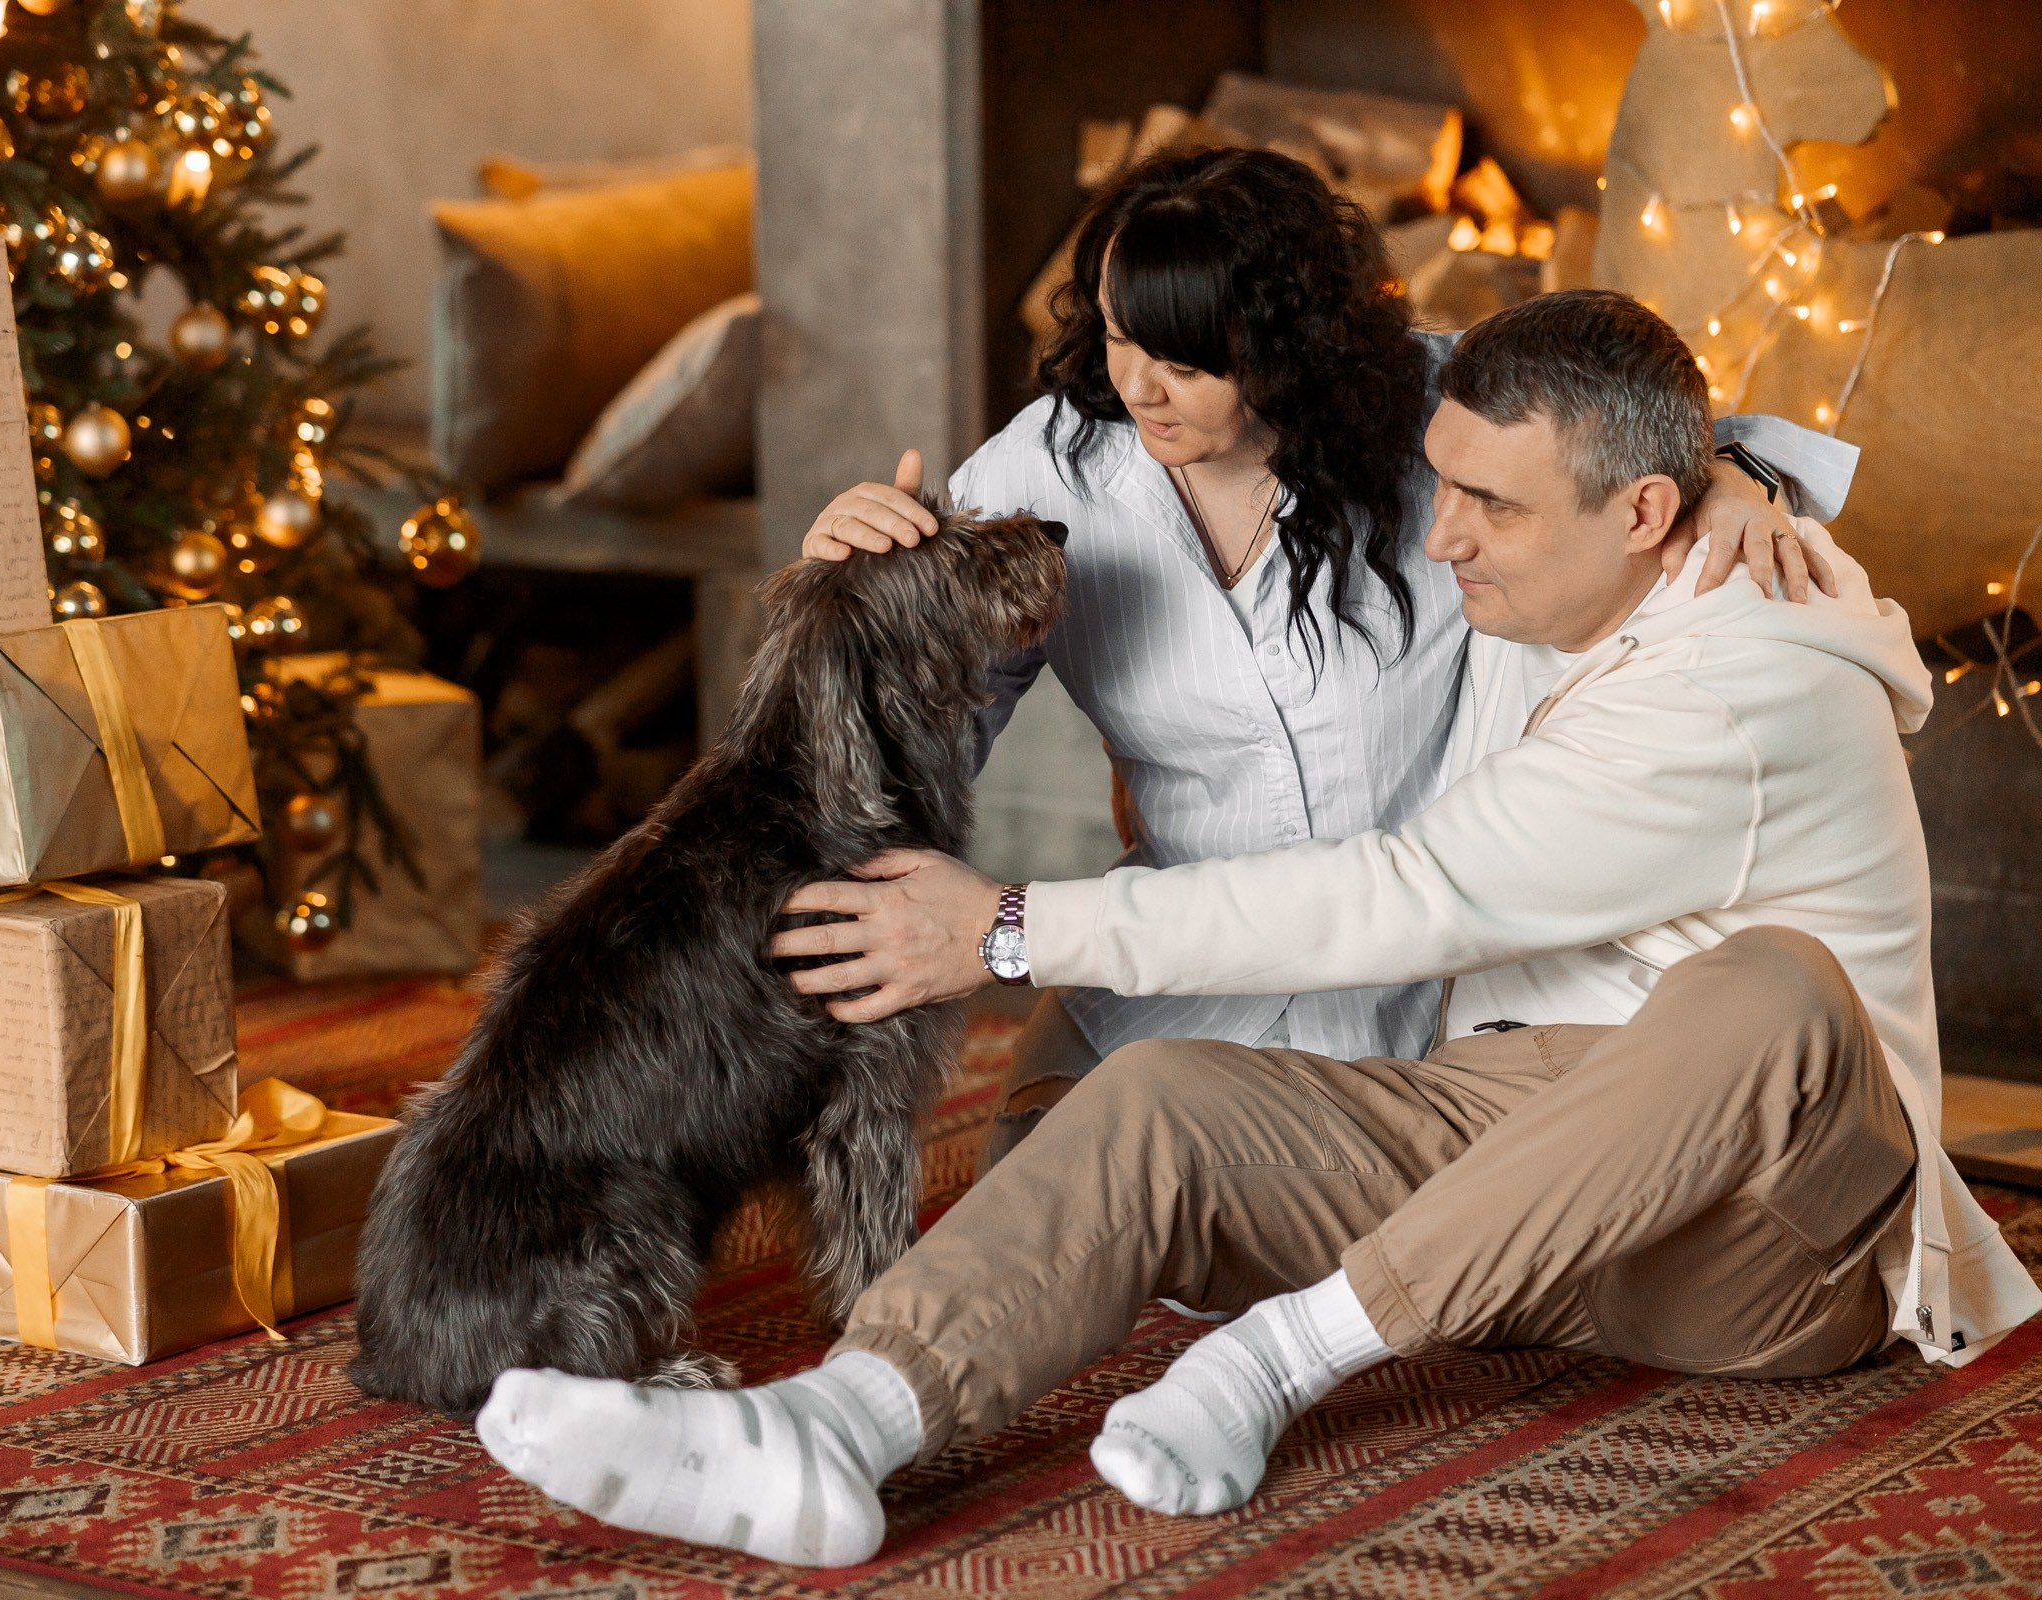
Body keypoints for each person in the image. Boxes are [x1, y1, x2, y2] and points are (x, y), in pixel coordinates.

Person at [472, 290, 2042, 1567]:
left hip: (1768, 1237)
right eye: (1448, 489)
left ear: (1645, 513)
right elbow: (1538, 389)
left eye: (1488, 507)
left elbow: (1404, 896)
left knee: (1764, 993)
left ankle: (1274, 1361)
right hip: (1518, 1140)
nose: (1444, 542)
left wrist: (1012, 928)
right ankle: (835, 1430)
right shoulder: (1590, 561)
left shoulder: (1747, 687)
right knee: (1161, 1097)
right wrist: (1749, 472)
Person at [798, 147, 1856, 1170]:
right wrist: (860, 598)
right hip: (1168, 958)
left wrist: (1730, 473)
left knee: (1299, 1239)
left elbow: (1644, 440)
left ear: (1288, 343)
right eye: (1121, 338)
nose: (1139, 388)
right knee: (1041, 1214)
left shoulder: (1436, 408)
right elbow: (905, 750)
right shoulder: (1049, 467)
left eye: (1186, 360)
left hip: (1429, 975)